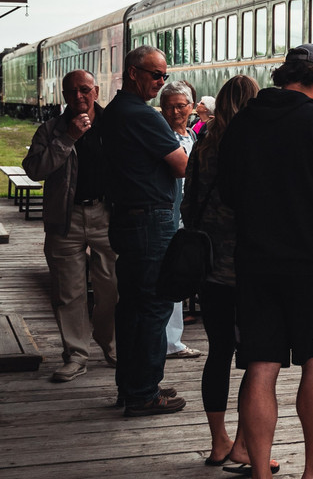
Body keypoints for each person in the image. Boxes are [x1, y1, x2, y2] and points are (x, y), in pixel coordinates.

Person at [218, 43, 313, 479]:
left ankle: (261, 471)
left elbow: (228, 194)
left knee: (260, 366)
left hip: (255, 264)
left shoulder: (243, 123)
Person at [98, 46, 189, 416]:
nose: (161, 82)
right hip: (151, 218)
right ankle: (144, 392)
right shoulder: (143, 116)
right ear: (133, 73)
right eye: (156, 75)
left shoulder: (114, 113)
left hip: (126, 216)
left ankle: (131, 383)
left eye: (165, 76)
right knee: (154, 304)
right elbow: (182, 165)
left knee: (133, 304)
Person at [179, 75, 264, 469]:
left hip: (209, 266)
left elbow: (187, 204)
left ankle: (218, 442)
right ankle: (246, 445)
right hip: (248, 267)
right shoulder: (255, 146)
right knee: (254, 357)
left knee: (218, 352)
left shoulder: (202, 145)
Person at [23, 69, 117, 383]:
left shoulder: (114, 124)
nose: (78, 96)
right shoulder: (51, 130)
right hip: (65, 218)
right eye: (71, 91)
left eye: (84, 89)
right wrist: (69, 138)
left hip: (107, 215)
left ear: (96, 91)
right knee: (68, 292)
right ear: (63, 95)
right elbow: (35, 169)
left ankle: (110, 344)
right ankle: (76, 355)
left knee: (112, 288)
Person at [160, 80, 202, 360]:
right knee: (169, 277)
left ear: (191, 108)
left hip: (189, 215)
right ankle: (168, 342)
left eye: (181, 106)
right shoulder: (162, 136)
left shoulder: (192, 136)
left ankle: (172, 340)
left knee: (180, 274)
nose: (176, 112)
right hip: (169, 214)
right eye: (169, 106)